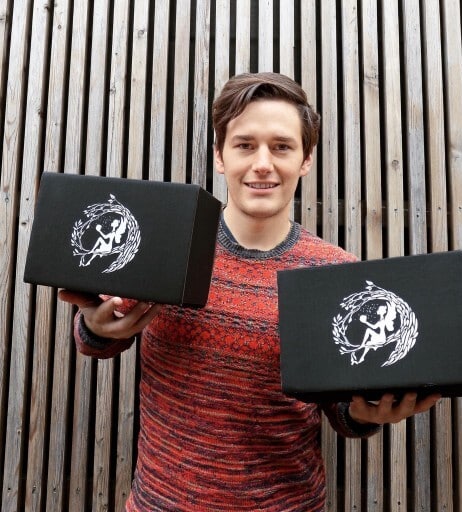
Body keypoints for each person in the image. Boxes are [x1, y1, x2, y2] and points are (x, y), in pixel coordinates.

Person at [59, 72, 440, 511]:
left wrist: (364, 412)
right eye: (244, 145)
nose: (262, 163)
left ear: (305, 159)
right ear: (220, 156)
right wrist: (96, 327)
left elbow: (341, 408)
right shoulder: (167, 245)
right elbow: (102, 338)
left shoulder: (335, 273)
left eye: (281, 147)